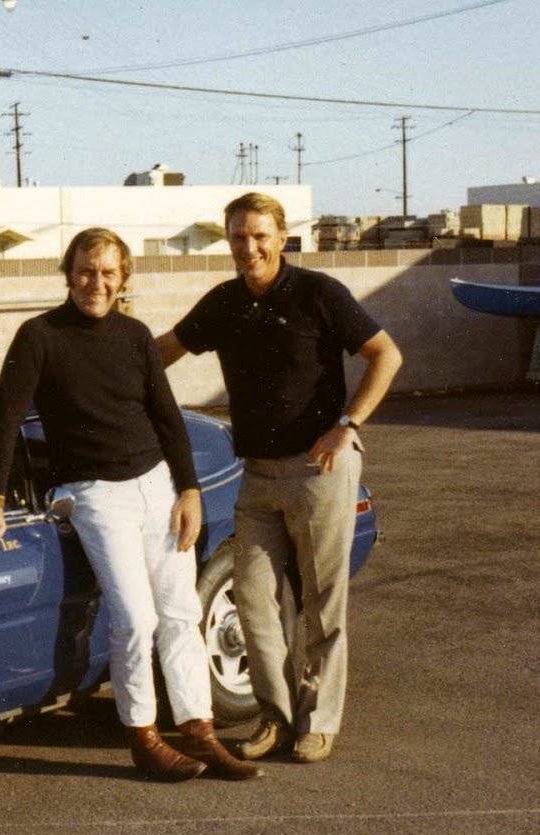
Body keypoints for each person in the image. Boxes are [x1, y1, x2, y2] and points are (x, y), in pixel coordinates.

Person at [0, 227, 261, 783]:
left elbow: (167, 418)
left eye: (108, 273)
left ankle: (199, 730)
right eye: (86, 271)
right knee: (136, 619)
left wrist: (189, 490)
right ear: (68, 274)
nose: (97, 283)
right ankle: (143, 737)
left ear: (124, 279)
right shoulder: (38, 336)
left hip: (157, 488)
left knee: (181, 614)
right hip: (94, 495)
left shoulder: (136, 335)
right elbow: (4, 421)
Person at [154, 192, 403, 763]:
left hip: (320, 469)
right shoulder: (223, 303)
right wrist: (106, 366)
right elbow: (164, 350)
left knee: (320, 600)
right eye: (239, 237)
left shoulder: (320, 294)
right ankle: (275, 716)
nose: (250, 247)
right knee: (253, 598)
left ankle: (318, 721)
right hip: (258, 475)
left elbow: (386, 355)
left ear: (283, 237)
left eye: (260, 235)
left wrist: (349, 424)